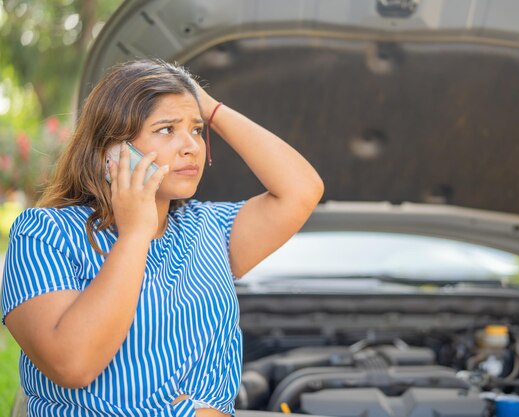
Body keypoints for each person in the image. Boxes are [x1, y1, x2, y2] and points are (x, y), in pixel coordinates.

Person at [0, 60, 324, 417]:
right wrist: (134, 235)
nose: (192, 147)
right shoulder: (44, 234)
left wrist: (209, 107)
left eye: (197, 130)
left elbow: (302, 190)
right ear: (112, 150)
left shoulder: (207, 228)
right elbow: (73, 365)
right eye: (167, 129)